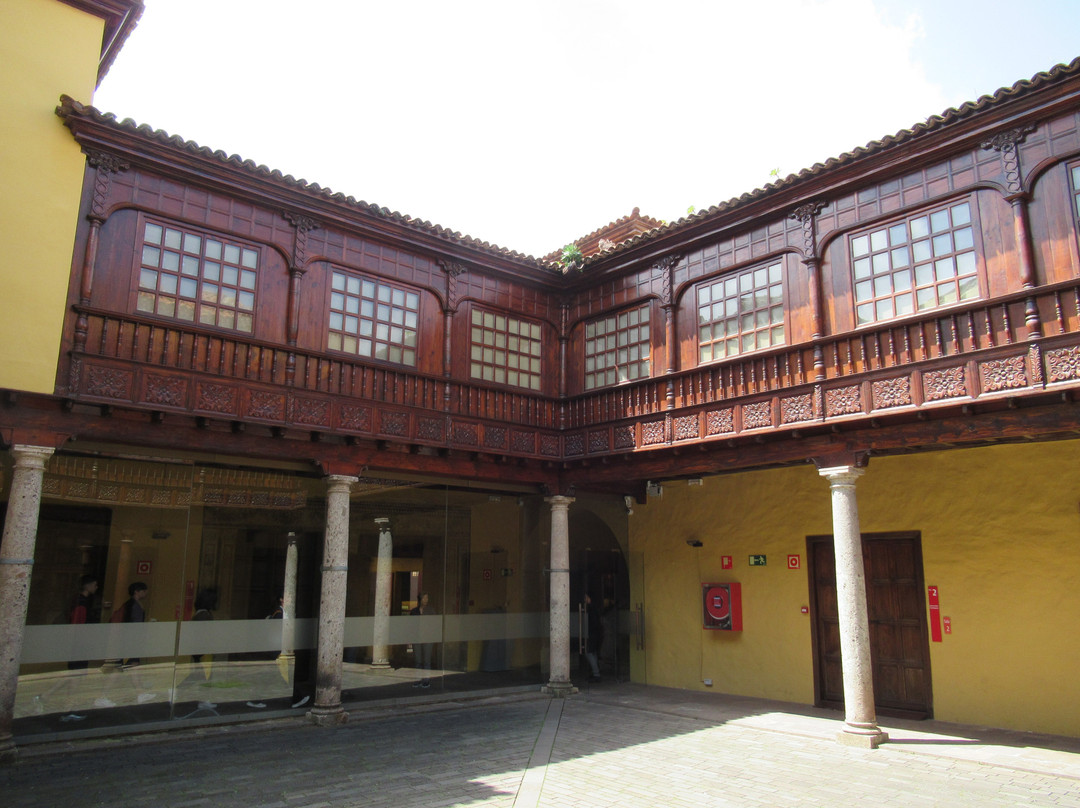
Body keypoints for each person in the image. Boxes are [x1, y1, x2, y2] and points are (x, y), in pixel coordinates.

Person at [113, 581, 148, 668]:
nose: (145, 593)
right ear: (136, 591)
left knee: (129, 660)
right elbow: (136, 623)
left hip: (126, 636)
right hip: (132, 637)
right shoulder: (135, 605)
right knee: (133, 661)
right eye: (143, 591)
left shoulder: (129, 604)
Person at [410, 593, 433, 688]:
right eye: (424, 598)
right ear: (420, 599)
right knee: (418, 660)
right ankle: (418, 679)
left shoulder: (430, 611)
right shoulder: (414, 611)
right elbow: (411, 625)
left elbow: (434, 624)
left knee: (427, 661)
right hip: (417, 638)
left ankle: (426, 680)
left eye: (427, 598)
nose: (426, 600)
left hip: (428, 638)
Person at [584, 593, 604, 682]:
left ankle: (596, 673)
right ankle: (596, 672)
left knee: (589, 652)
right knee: (593, 652)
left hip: (592, 633)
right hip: (595, 633)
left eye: (586, 597)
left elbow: (593, 623)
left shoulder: (591, 608)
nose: (585, 599)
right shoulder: (594, 608)